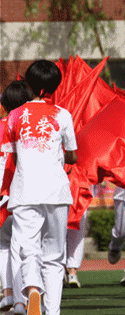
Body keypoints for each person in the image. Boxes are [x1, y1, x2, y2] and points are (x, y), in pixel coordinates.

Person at [4, 60, 77, 315]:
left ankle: (33, 288)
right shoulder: (63, 114)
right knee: (55, 255)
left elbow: (14, 154)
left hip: (23, 191)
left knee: (28, 248)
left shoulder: (14, 116)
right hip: (56, 191)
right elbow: (72, 156)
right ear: (55, 86)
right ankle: (53, 311)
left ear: (28, 84)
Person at [0, 81, 34, 313]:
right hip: (28, 193)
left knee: (4, 246)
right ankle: (26, 298)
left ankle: (9, 295)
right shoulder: (33, 126)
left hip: (3, 195)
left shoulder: (2, 125)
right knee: (26, 248)